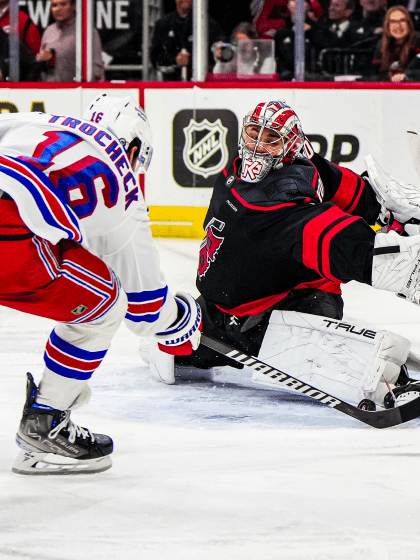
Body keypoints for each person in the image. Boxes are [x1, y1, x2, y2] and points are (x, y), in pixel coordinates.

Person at [146, 100, 420, 413]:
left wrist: (400, 246)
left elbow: (350, 243)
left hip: (291, 302)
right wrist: (385, 213)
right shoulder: (236, 169)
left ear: (289, 148)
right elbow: (338, 182)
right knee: (161, 348)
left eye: (271, 139)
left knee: (303, 349)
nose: (258, 145)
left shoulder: (286, 209)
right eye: (253, 132)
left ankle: (389, 378)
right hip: (220, 310)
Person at [0, 94, 201, 475]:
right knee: (104, 305)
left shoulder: (43, 122)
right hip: (8, 232)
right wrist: (182, 318)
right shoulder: (122, 182)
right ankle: (45, 424)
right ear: (135, 146)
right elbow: (144, 311)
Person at [150, 0, 226, 81]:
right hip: (171, 84)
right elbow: (155, 60)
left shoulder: (207, 23)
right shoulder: (163, 24)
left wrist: (219, 50)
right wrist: (174, 60)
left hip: (200, 82)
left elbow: (222, 48)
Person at [36, 0, 104, 82]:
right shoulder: (48, 31)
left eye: (63, 4)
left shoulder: (86, 32)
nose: (58, 9)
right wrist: (41, 59)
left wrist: (82, 88)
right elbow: (39, 63)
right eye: (54, 5)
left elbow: (97, 70)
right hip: (50, 90)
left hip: (77, 90)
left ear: (74, 6)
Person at [273, 0, 322, 80]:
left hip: (313, 81)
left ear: (308, 6)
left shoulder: (318, 31)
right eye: (293, 0)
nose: (297, 3)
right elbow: (276, 59)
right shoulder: (281, 34)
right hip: (286, 81)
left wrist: (310, 33)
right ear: (288, 5)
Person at [372, 5, 420, 81]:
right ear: (387, 26)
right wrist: (389, 78)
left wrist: (407, 76)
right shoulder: (381, 44)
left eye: (402, 20)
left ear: (409, 24)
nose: (398, 25)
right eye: (393, 22)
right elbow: (374, 73)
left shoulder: (418, 41)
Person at [212, 21, 276, 75]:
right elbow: (217, 76)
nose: (242, 48)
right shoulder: (232, 61)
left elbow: (264, 85)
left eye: (245, 44)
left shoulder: (267, 61)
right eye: (238, 43)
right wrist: (220, 62)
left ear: (255, 44)